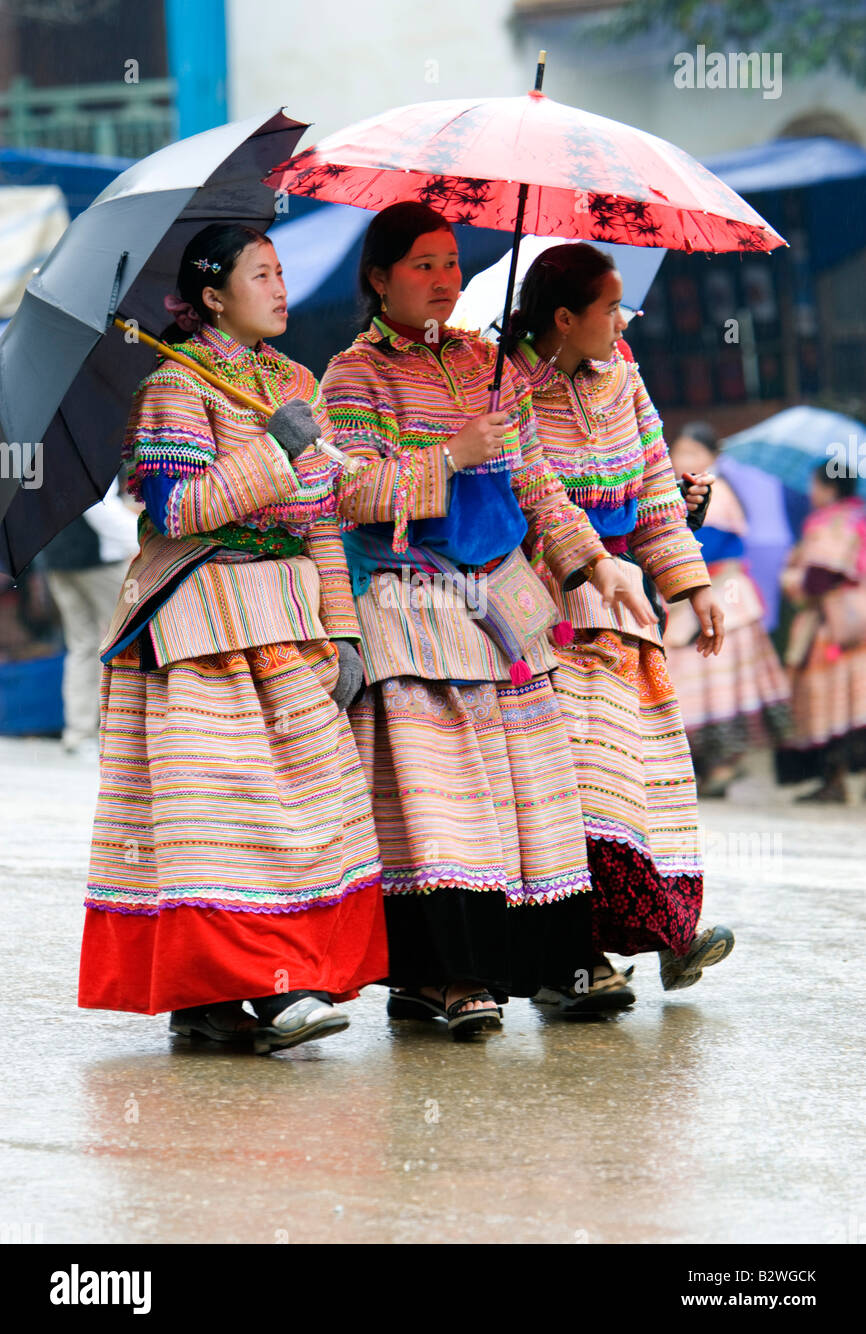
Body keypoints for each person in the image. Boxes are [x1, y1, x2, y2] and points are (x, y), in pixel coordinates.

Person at [321, 201, 653, 1039]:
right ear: (379, 278)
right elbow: (347, 491)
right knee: (441, 804)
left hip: (505, 598)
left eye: (450, 263)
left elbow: (536, 483)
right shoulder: (351, 376)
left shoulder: (487, 363)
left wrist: (598, 561)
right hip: (411, 599)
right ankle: (439, 976)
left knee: (531, 797)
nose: (442, 280)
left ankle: (551, 965)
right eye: (422, 264)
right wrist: (449, 457)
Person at [78, 223, 386, 1053]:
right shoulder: (174, 384)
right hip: (203, 627)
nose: (281, 289)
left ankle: (237, 991)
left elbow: (322, 515)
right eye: (261, 274)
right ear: (212, 297)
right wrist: (275, 456)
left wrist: (345, 630)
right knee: (231, 815)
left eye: (282, 272)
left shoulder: (294, 381)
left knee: (311, 802)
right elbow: (178, 512)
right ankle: (258, 992)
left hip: (291, 621)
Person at [506, 242, 735, 1010]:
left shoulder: (624, 376)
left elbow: (656, 489)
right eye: (611, 308)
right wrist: (588, 566)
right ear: (565, 318)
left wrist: (693, 584)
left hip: (627, 609)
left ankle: (666, 932)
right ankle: (572, 962)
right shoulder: (507, 386)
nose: (623, 320)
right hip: (544, 604)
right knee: (580, 788)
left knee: (645, 780)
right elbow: (533, 499)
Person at [665, 423, 791, 796]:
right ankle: (706, 768)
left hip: (721, 596)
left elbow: (708, 546)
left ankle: (722, 766)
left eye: (691, 452)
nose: (681, 460)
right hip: (689, 596)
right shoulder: (678, 494)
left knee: (719, 684)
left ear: (712, 457)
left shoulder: (713, 492)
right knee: (695, 684)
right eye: (678, 451)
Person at [776, 462, 866, 802]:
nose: (811, 492)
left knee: (831, 705)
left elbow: (819, 577)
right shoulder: (860, 516)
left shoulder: (831, 522)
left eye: (814, 485)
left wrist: (792, 577)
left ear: (830, 489)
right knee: (857, 705)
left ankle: (834, 780)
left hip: (834, 627)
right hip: (858, 618)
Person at [42, 477, 140, 755]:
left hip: (57, 556)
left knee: (82, 645)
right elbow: (99, 508)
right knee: (127, 640)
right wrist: (141, 535)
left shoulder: (48, 442)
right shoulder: (92, 442)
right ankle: (124, 732)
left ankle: (79, 732)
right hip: (95, 559)